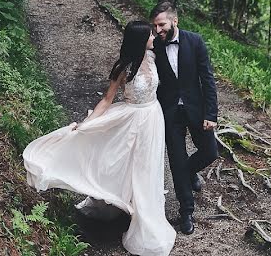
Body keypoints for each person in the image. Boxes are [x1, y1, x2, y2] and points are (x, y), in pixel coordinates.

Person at [23, 20, 176, 256]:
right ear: (140, 39)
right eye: (150, 34)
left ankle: (143, 210)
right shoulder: (123, 68)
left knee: (147, 166)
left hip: (153, 118)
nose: (155, 36)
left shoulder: (153, 58)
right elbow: (107, 100)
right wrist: (87, 124)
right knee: (118, 161)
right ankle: (122, 205)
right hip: (132, 119)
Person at [151, 1, 218, 235]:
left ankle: (189, 173)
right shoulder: (154, 47)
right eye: (155, 26)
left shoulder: (195, 41)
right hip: (169, 112)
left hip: (197, 109)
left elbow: (207, 79)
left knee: (210, 152)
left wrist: (211, 113)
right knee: (177, 161)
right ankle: (186, 212)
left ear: (174, 21)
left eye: (161, 25)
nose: (158, 30)